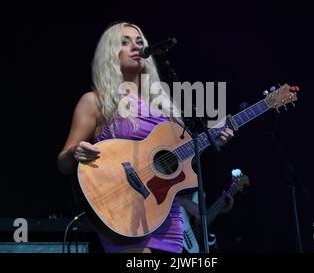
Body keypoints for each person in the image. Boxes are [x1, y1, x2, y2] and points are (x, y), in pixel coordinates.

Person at [57, 21, 234, 253]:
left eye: (140, 42)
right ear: (110, 53)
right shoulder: (94, 101)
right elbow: (63, 163)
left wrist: (211, 141)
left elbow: (172, 163)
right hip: (124, 213)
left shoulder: (164, 107)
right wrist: (75, 152)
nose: (135, 46)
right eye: (125, 42)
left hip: (167, 217)